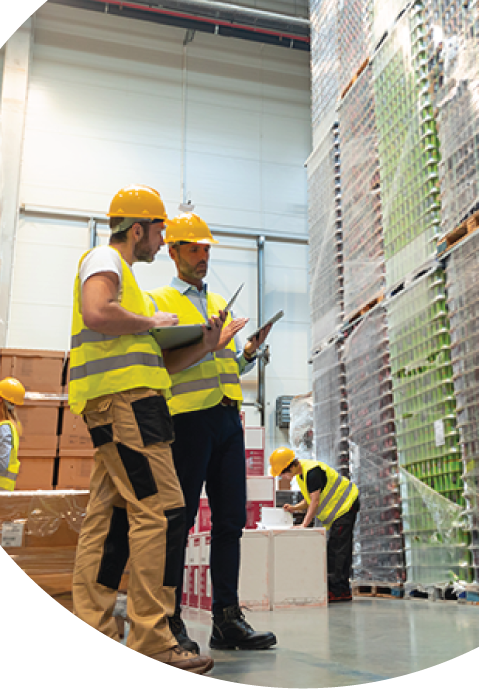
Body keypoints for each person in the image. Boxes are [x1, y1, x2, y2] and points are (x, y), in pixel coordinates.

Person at [69, 185, 226, 673]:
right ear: (137, 229)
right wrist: (151, 320)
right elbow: (97, 311)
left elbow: (159, 362)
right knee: (159, 511)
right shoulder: (105, 260)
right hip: (127, 409)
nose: (162, 241)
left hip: (122, 408)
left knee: (105, 518)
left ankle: (97, 623)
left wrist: (209, 343)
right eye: (159, 230)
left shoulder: (126, 281)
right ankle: (154, 639)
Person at [147, 212, 277, 653]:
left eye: (207, 249)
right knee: (177, 523)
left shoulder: (220, 301)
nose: (203, 256)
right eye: (193, 249)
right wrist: (209, 345)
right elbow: (163, 365)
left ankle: (226, 619)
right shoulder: (160, 302)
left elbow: (227, 365)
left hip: (226, 420)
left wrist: (248, 354)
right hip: (186, 420)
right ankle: (169, 620)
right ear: (173, 252)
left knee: (229, 522)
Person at [269, 448, 360, 603]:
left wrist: (304, 524)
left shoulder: (312, 472)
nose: (283, 477)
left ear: (290, 466)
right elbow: (309, 500)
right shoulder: (301, 476)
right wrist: (294, 508)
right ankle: (343, 589)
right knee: (339, 548)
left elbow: (315, 502)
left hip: (346, 505)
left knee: (337, 550)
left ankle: (337, 590)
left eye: (282, 473)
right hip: (340, 510)